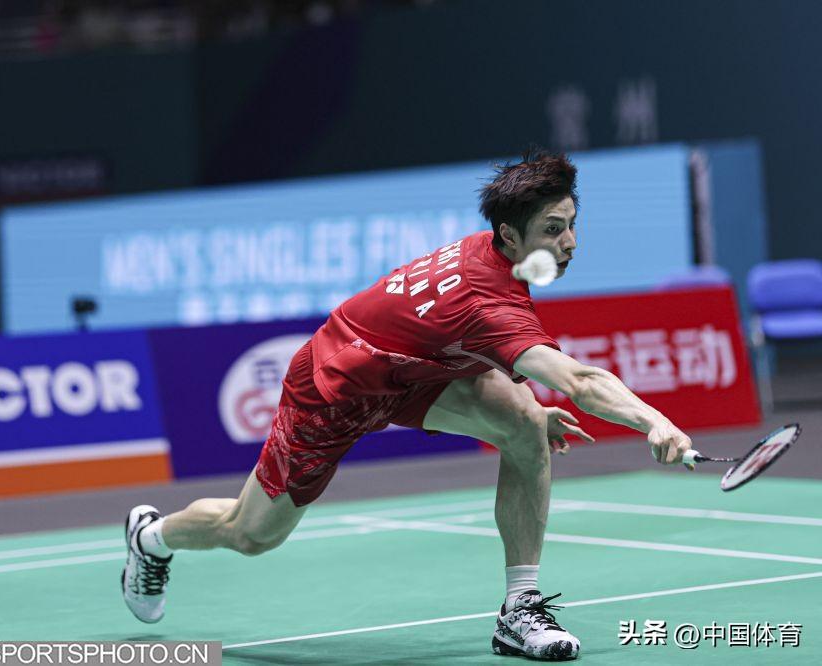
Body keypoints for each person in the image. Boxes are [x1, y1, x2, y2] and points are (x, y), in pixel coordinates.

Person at [120, 150, 693, 661]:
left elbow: (466, 347)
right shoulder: (489, 305)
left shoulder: (493, 256)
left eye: (570, 225)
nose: (570, 243)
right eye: (552, 229)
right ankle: (151, 536)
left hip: (413, 371)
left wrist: (528, 412)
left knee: (524, 426)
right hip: (334, 390)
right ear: (509, 235)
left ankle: (520, 610)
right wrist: (655, 422)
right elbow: (579, 380)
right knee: (252, 535)